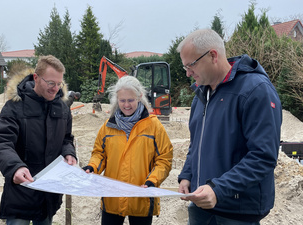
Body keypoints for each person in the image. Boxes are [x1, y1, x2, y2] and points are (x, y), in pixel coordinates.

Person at [176, 29, 282, 225]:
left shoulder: (255, 91)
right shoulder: (201, 96)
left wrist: (218, 189)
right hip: (201, 205)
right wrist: (187, 175)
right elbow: (196, 144)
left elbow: (263, 156)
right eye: (185, 67)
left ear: (213, 56)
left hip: (237, 212)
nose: (188, 73)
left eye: (190, 65)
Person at [0, 55, 77, 225]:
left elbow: (66, 138)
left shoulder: (63, 108)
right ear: (36, 78)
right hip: (21, 192)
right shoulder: (15, 106)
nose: (55, 88)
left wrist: (68, 153)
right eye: (51, 83)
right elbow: (0, 141)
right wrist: (15, 167)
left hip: (49, 194)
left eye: (59, 84)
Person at [83, 75, 173, 225]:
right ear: (116, 100)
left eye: (130, 100)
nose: (126, 105)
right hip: (112, 200)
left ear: (140, 97)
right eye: (122, 100)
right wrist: (92, 167)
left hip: (141, 199)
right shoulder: (107, 126)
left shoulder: (154, 126)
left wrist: (152, 181)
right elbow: (99, 154)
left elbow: (164, 159)